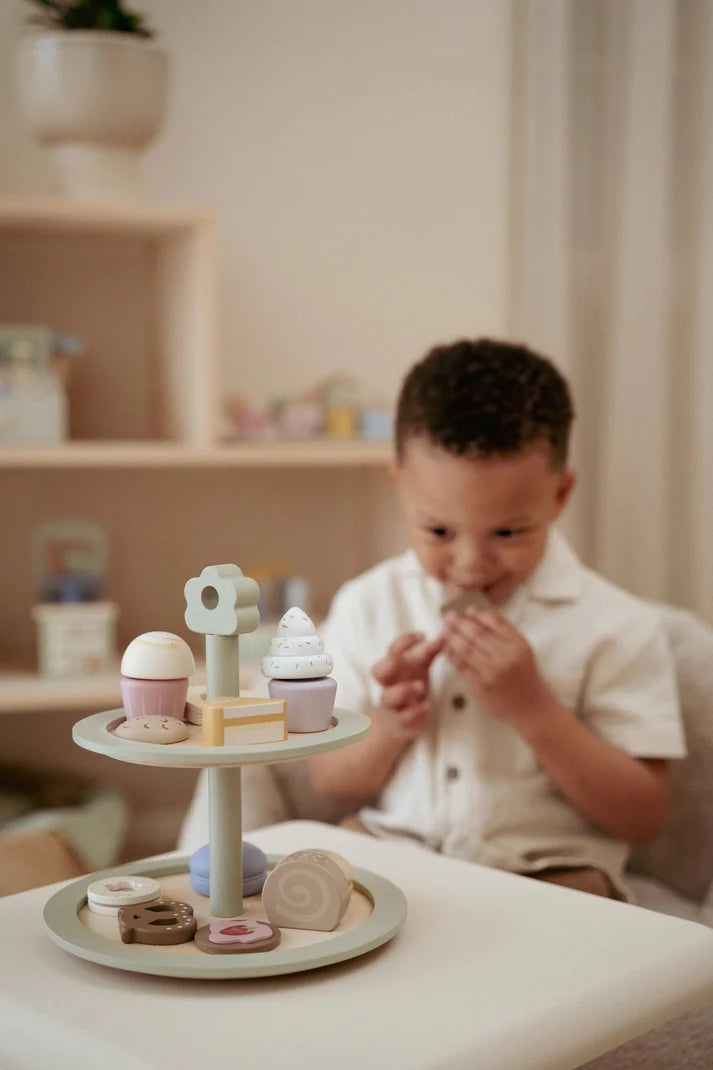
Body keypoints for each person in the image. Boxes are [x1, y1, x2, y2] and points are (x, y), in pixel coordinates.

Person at [309, 338, 686, 899]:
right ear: (401, 488)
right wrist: (389, 726)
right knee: (321, 876)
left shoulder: (616, 626)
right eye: (438, 531)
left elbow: (644, 817)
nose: (470, 565)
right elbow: (326, 780)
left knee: (583, 913)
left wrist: (535, 710)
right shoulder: (367, 604)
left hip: (551, 870)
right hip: (399, 850)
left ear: (560, 495)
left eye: (508, 533)